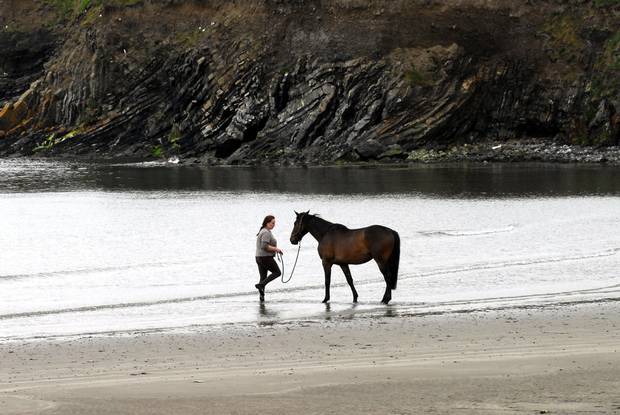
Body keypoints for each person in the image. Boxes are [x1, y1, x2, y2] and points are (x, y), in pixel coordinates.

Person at [255, 215, 283, 302]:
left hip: (259, 257)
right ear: (267, 223)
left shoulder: (264, 231)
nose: (274, 225)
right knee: (277, 272)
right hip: (265, 257)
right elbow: (264, 246)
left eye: (274, 223)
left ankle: (262, 298)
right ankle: (261, 285)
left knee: (263, 277)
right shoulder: (266, 232)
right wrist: (276, 249)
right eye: (272, 223)